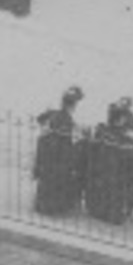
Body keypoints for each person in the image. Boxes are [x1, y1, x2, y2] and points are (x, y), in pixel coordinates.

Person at [83, 97, 133, 226]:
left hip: (104, 172)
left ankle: (99, 210)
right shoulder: (123, 136)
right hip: (116, 173)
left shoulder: (103, 130)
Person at [32, 86, 85, 217]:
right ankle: (63, 206)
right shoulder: (66, 120)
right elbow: (67, 147)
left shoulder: (54, 115)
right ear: (74, 105)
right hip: (59, 164)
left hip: (47, 162)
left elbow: (40, 119)